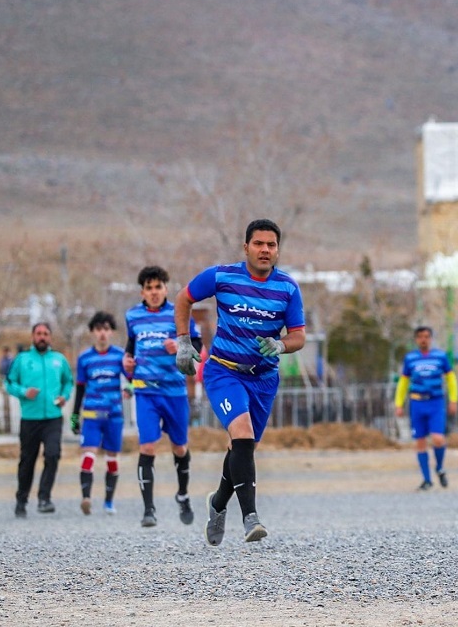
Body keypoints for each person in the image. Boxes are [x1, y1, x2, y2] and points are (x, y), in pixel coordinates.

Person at [174, 218, 305, 545]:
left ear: (277, 250)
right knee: (242, 435)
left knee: (241, 448)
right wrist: (183, 341)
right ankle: (251, 518)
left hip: (263, 379)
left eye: (271, 245)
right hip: (224, 371)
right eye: (258, 244)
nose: (265, 250)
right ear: (245, 247)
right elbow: (183, 299)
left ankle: (218, 504)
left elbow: (299, 336)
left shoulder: (287, 288)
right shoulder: (222, 276)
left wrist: (281, 345)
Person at [124, 266, 199, 528]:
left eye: (158, 287)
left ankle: (183, 494)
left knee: (179, 447)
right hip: (146, 391)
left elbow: (198, 347)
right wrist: (127, 365)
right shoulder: (132, 315)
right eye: (149, 288)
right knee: (147, 446)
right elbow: (130, 350)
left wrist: (179, 345)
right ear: (142, 291)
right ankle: (149, 509)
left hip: (174, 391)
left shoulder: (180, 313)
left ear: (166, 288)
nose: (154, 292)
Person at [6, 323, 73, 517]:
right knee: (27, 461)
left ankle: (44, 498)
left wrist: (64, 396)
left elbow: (68, 381)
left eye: (45, 334)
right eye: (38, 334)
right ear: (33, 336)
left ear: (50, 337)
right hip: (30, 419)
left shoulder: (59, 360)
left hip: (53, 417)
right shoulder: (22, 359)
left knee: (53, 454)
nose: (42, 337)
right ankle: (21, 500)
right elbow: (10, 383)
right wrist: (23, 392)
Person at [71, 311, 128, 515]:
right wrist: (75, 416)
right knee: (89, 453)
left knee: (112, 457)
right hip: (92, 416)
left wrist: (129, 389)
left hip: (114, 415)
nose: (102, 333)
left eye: (106, 329)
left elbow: (130, 379)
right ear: (92, 332)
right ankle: (86, 497)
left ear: (111, 332)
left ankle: (108, 502)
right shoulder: (84, 358)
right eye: (98, 329)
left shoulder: (120, 355)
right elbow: (79, 389)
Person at [394, 326, 458, 490]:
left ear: (431, 338)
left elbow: (451, 379)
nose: (424, 339)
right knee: (420, 441)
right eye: (421, 337)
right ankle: (427, 479)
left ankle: (439, 467)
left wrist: (453, 400)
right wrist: (398, 403)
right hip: (417, 403)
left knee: (438, 438)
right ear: (416, 339)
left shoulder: (440, 357)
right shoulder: (410, 359)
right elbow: (403, 382)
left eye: (427, 336)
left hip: (435, 402)